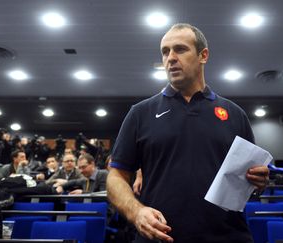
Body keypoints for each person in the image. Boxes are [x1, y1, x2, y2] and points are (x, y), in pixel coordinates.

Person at [107, 23, 269, 243]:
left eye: (180, 49)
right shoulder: (140, 113)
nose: (170, 57)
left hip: (228, 237)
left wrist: (258, 182)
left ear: (203, 55)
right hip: (161, 237)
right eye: (165, 52)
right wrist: (136, 213)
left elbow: (249, 182)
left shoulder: (235, 114)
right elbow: (116, 178)